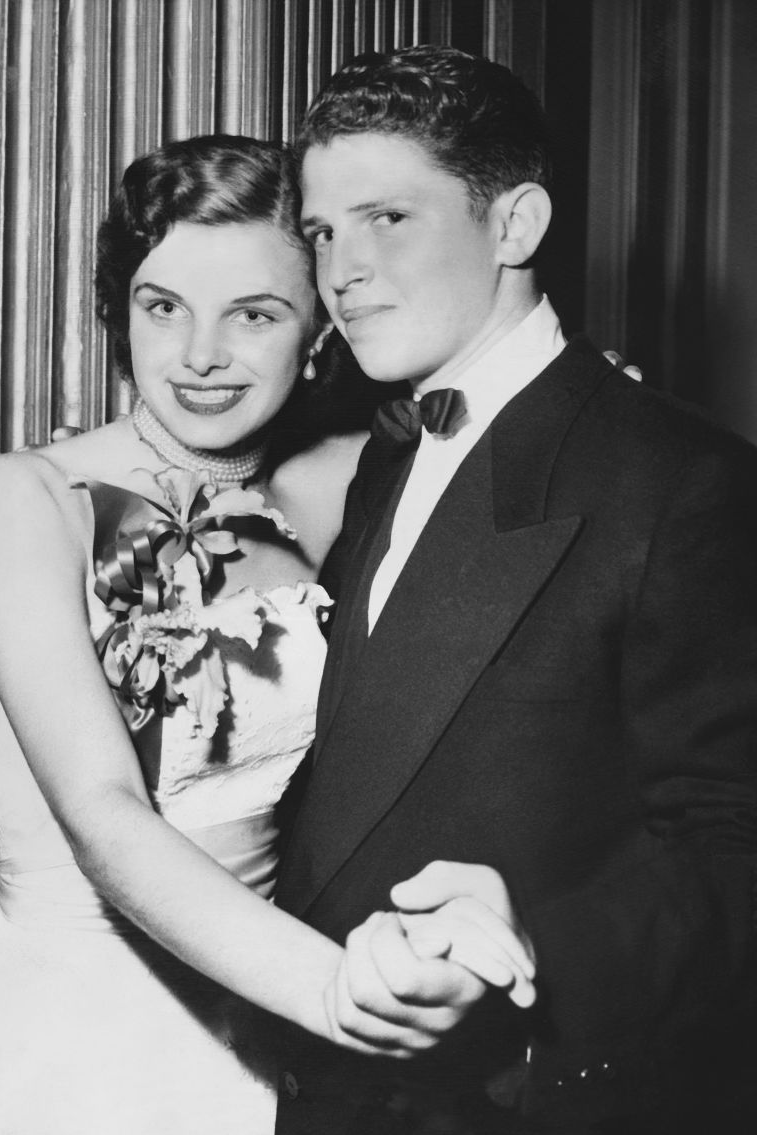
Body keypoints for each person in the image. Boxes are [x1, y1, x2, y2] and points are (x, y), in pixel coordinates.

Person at [0, 136, 537, 1135]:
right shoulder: (31, 496)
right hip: (74, 1040)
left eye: (254, 314)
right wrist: (342, 994)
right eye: (164, 306)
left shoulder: (331, 489)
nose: (201, 353)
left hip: (269, 1041)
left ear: (319, 334)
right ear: (122, 310)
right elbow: (104, 816)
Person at [273, 46, 757, 1135]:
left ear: (516, 225)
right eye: (320, 232)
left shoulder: (686, 482)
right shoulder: (385, 456)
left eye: (387, 218)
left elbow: (735, 843)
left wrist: (537, 940)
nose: (341, 269)